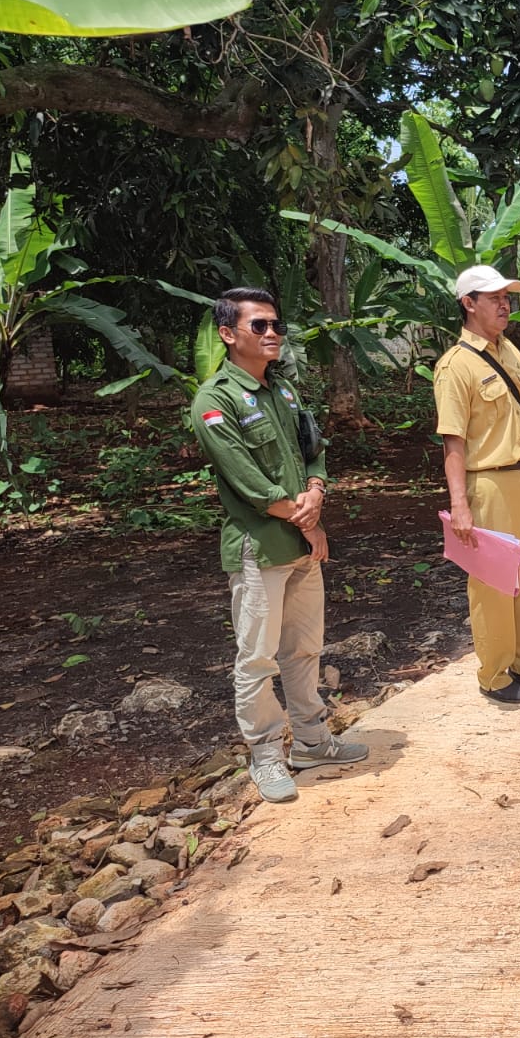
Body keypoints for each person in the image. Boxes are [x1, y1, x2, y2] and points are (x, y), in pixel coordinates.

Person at [191, 288, 368, 804]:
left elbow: (313, 450)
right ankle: (266, 755)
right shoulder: (215, 400)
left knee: (304, 649)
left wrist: (316, 491)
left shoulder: (284, 391)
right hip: (261, 547)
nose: (272, 334)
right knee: (257, 658)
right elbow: (246, 481)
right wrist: (306, 523)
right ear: (228, 334)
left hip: (300, 546)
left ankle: (313, 741)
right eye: (259, 326)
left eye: (276, 326)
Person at [434, 265, 520, 704]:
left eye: (507, 296)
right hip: (489, 482)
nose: (505, 304)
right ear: (469, 304)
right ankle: (494, 674)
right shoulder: (455, 366)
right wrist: (460, 506)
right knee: (492, 583)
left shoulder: (511, 353)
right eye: (494, 298)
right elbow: (453, 440)